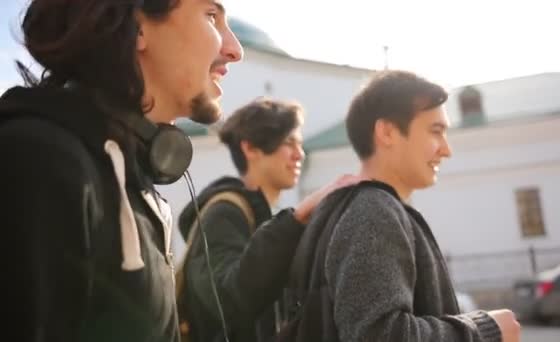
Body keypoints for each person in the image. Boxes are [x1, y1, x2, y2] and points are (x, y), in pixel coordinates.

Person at [0, 0, 243, 341]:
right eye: (210, 16)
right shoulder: (37, 160)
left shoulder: (134, 177)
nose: (234, 50)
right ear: (136, 25)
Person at [283, 70, 521, 342]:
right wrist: (484, 330)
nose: (446, 149)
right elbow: (379, 336)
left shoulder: (350, 209)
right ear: (387, 132)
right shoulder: (373, 211)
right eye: (436, 131)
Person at [177, 97, 364, 342]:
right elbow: (229, 300)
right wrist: (296, 219)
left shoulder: (267, 219)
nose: (300, 154)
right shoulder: (223, 213)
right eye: (289, 143)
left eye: (300, 144)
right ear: (250, 148)